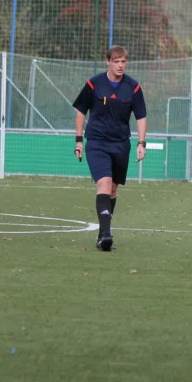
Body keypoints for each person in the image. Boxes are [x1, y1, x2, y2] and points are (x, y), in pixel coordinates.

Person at [73, 45, 147, 251]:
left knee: (113, 189)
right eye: (116, 61)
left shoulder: (133, 87)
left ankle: (101, 234)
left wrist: (142, 143)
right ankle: (106, 235)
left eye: (124, 61)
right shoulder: (94, 83)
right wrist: (79, 141)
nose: (120, 65)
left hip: (121, 144)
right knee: (104, 183)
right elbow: (80, 112)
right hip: (96, 142)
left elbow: (141, 116)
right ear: (108, 62)